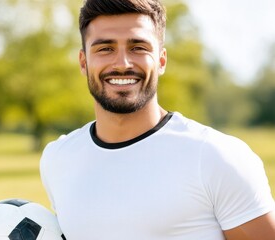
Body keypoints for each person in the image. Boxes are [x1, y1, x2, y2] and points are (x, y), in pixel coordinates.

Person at [39, 0, 275, 239]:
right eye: (105, 49)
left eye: (138, 47)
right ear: (83, 62)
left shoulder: (215, 157)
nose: (122, 64)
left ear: (161, 60)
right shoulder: (58, 158)